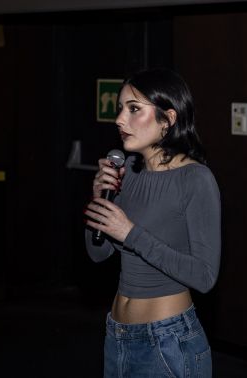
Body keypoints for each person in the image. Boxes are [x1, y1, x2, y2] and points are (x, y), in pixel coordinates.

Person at [84, 68, 221, 377]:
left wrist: (131, 233)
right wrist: (99, 200)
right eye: (120, 109)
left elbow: (205, 276)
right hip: (116, 334)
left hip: (167, 338)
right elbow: (98, 253)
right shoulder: (127, 175)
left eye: (134, 109)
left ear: (167, 119)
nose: (120, 119)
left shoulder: (196, 179)